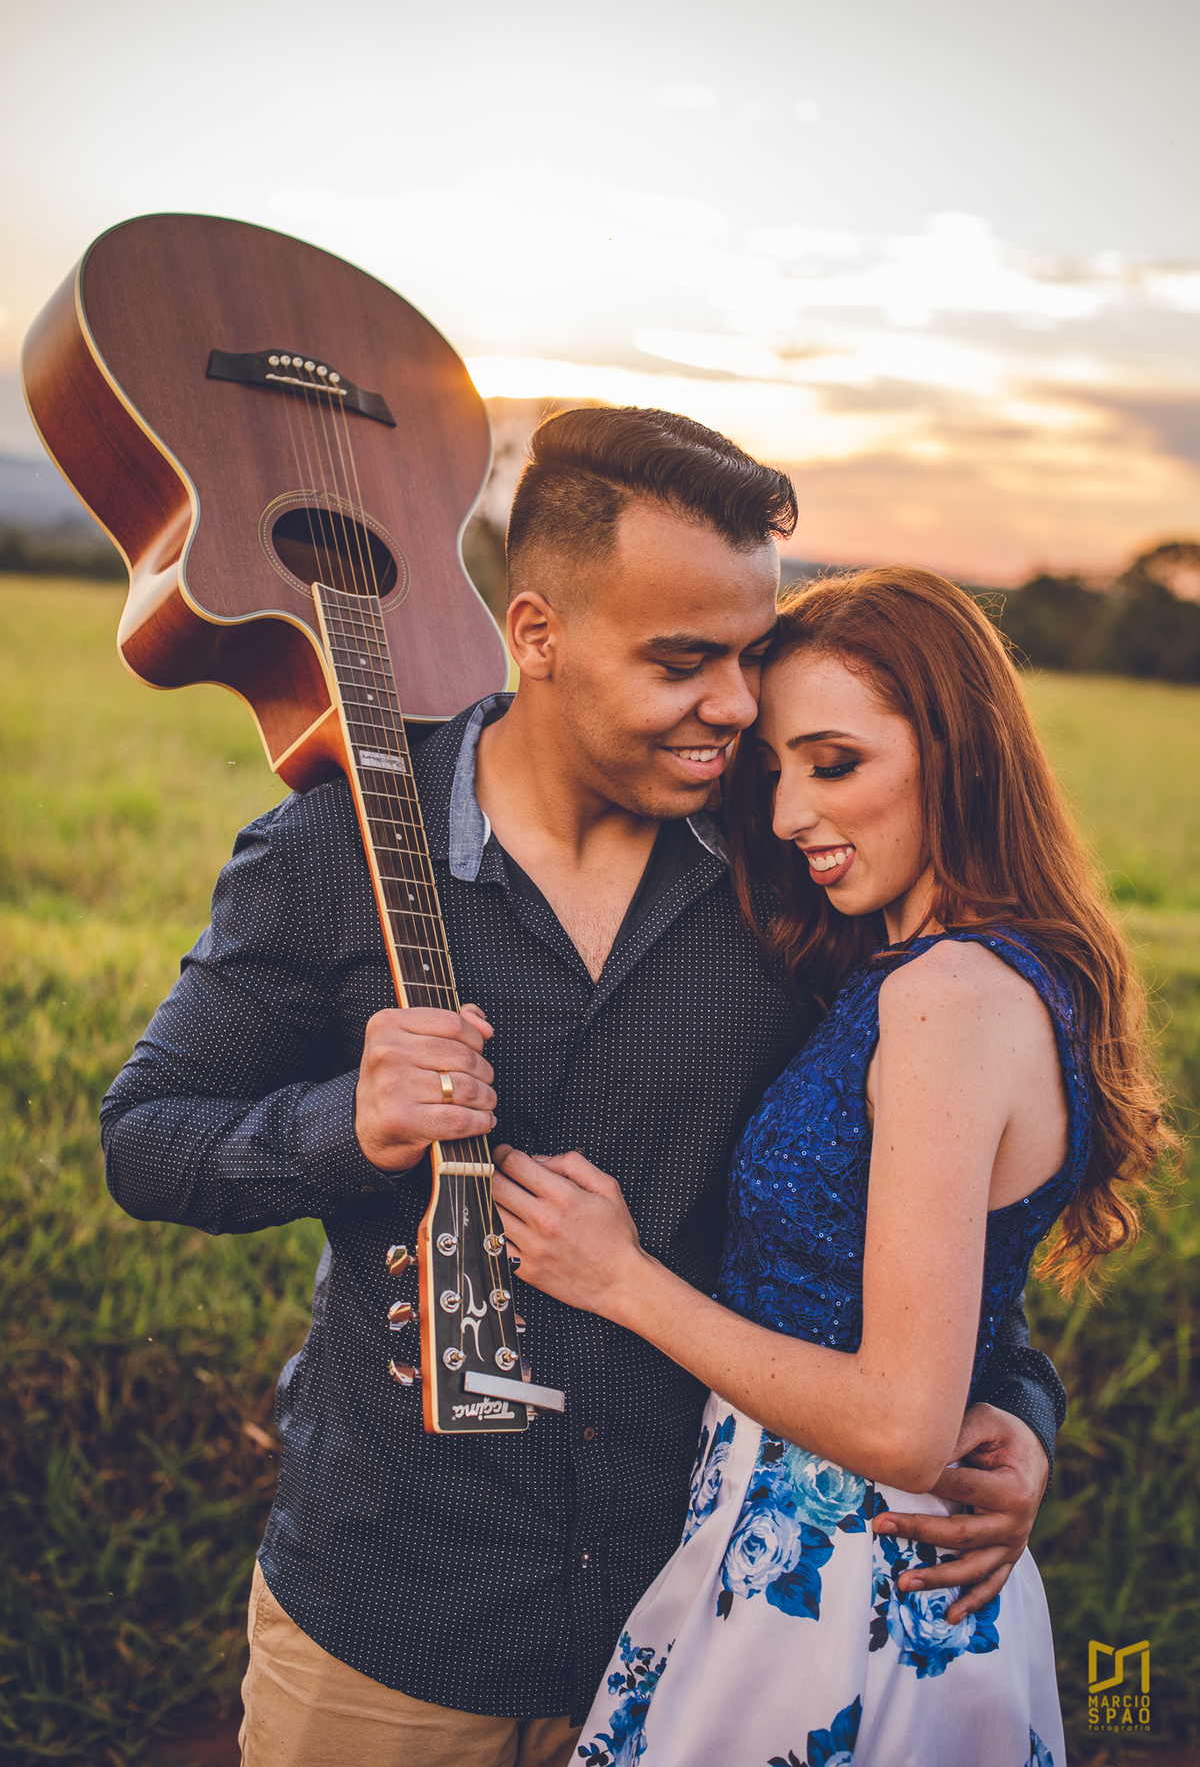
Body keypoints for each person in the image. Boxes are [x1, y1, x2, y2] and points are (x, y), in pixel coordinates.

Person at [102, 414, 1063, 1767]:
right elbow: (145, 1140)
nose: (736, 704)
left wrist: (1017, 1409)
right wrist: (346, 1124)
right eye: (684, 660)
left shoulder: (786, 874)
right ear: (538, 632)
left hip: (696, 1645)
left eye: (749, 653)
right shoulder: (337, 852)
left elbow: (909, 1203)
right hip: (390, 1630)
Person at [492, 565, 1175, 1767]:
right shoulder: (964, 970)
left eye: (835, 762)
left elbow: (907, 1427)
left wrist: (620, 1279)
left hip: (841, 1581)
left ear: (957, 752)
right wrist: (1023, 1407)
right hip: (817, 1551)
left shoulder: (949, 1000)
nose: (789, 812)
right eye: (775, 773)